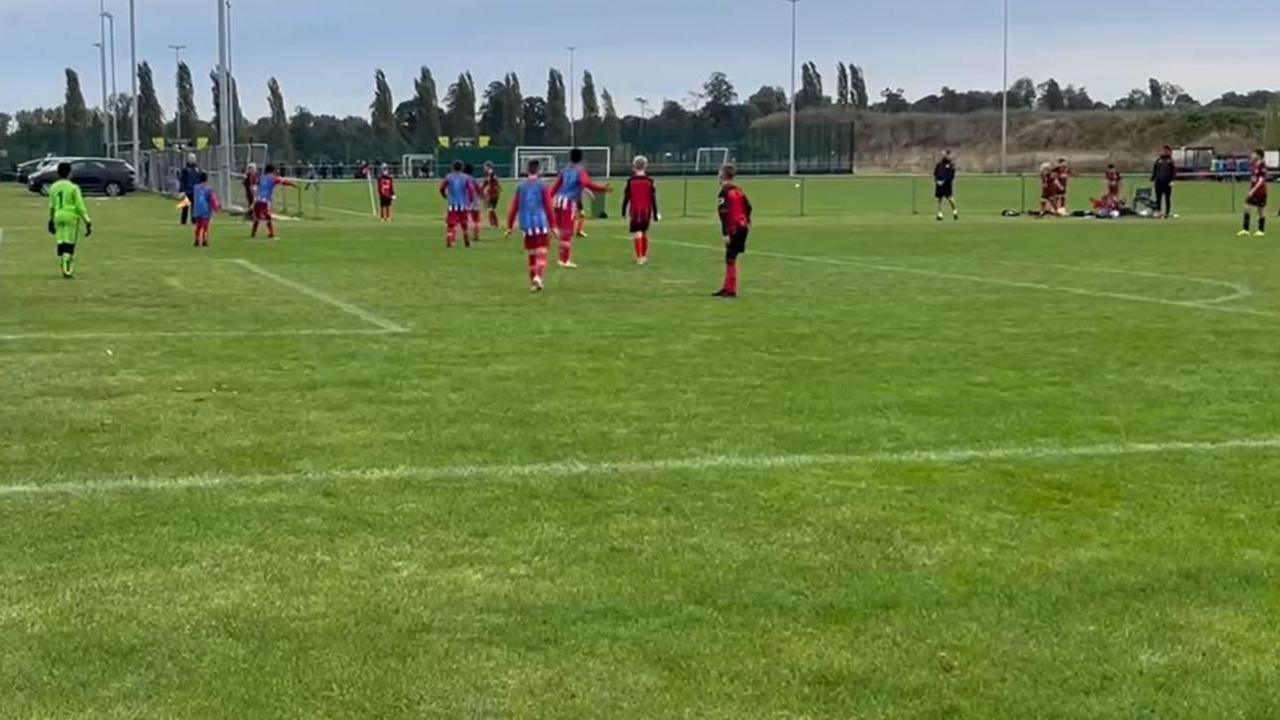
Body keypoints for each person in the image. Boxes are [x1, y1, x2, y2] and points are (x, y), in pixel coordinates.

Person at [549, 148, 610, 268]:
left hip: (558, 201)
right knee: (567, 231)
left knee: (562, 231)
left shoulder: (565, 170)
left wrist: (547, 198)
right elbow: (586, 183)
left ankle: (561, 259)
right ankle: (565, 260)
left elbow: (556, 186)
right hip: (569, 202)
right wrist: (602, 188)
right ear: (581, 158)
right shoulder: (580, 171)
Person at [505, 159, 558, 292]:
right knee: (542, 252)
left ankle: (533, 284)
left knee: (532, 255)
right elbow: (548, 206)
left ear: (527, 170)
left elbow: (514, 207)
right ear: (539, 170)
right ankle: (538, 277)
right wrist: (553, 225)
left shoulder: (521, 187)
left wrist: (509, 226)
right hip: (541, 223)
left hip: (527, 225)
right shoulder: (543, 186)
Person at [47, 162, 92, 278]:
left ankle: (63, 262)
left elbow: (51, 206)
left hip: (58, 215)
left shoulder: (53, 187)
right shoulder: (73, 187)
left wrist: (51, 220)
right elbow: (79, 206)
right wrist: (87, 220)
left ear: (58, 173)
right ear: (70, 173)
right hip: (70, 216)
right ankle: (67, 270)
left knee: (61, 241)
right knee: (69, 243)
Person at [714, 164, 752, 298]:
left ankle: (730, 289)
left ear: (723, 175)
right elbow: (748, 207)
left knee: (730, 258)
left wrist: (725, 233)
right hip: (743, 227)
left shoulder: (724, 192)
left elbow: (724, 213)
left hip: (733, 228)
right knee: (731, 258)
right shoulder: (739, 190)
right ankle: (727, 287)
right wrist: (747, 221)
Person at [621, 156, 659, 265]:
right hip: (646, 210)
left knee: (638, 232)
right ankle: (644, 256)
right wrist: (655, 213)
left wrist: (623, 210)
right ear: (645, 166)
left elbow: (626, 197)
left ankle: (639, 257)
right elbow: (653, 199)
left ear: (634, 167)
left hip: (635, 210)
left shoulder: (631, 181)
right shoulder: (649, 181)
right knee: (644, 231)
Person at [439, 160, 476, 248]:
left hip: (452, 204)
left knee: (451, 224)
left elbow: (441, 188)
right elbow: (471, 190)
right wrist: (470, 201)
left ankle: (450, 238)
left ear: (452, 167)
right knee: (464, 223)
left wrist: (444, 195)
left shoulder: (448, 177)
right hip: (463, 204)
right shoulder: (466, 177)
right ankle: (466, 239)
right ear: (462, 168)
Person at [251, 164, 295, 239]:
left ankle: (253, 234)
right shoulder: (273, 178)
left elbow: (255, 186)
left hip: (258, 199)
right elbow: (283, 182)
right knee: (267, 217)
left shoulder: (261, 178)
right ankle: (271, 234)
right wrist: (293, 185)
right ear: (273, 170)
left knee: (257, 217)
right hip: (265, 200)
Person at [1239, 149, 1268, 237]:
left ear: (1259, 155)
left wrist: (1253, 189)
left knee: (1260, 210)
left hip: (1260, 191)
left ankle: (1261, 230)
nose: (1252, 155)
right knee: (1246, 207)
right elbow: (1254, 178)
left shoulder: (1262, 165)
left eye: (1254, 154)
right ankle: (1246, 229)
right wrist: (1251, 189)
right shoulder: (1254, 164)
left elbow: (1261, 180)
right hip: (1254, 190)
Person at [190, 171, 221, 247]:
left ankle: (196, 240)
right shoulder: (209, 189)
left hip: (197, 210)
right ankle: (204, 240)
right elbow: (212, 199)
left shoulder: (195, 188)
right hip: (206, 210)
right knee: (205, 226)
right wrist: (216, 208)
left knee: (198, 226)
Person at [1151, 145, 1177, 219]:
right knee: (1158, 197)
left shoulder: (1170, 161)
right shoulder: (1159, 160)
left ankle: (1167, 213)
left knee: (1167, 198)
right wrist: (1153, 178)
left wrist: (1172, 180)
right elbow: (1155, 169)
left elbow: (1173, 172)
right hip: (1158, 182)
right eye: (1163, 150)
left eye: (1166, 150)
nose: (1164, 152)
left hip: (1167, 182)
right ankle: (1158, 211)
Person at [933, 150, 958, 221]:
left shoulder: (951, 165)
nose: (943, 156)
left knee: (950, 199)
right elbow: (935, 173)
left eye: (945, 155)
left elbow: (951, 175)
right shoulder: (939, 164)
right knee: (939, 200)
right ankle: (940, 214)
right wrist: (937, 180)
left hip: (947, 185)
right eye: (943, 155)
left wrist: (945, 181)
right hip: (939, 184)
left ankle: (955, 212)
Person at [178, 153, 201, 226]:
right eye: (190, 158)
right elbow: (182, 180)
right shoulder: (185, 170)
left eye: (193, 158)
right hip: (187, 191)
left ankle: (194, 220)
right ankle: (183, 221)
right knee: (185, 207)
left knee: (194, 207)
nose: (192, 160)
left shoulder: (198, 170)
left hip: (195, 191)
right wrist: (182, 190)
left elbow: (200, 180)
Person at [465, 164, 483, 243]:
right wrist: (482, 197)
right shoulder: (474, 179)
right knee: (476, 220)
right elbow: (479, 190)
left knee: (464, 218)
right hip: (475, 201)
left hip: (466, 201)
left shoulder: (463, 179)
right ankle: (476, 235)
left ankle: (466, 235)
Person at [481, 162, 502, 229]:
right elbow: (484, 185)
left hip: (493, 194)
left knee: (490, 209)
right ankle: (493, 224)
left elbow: (496, 183)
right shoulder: (488, 177)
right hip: (492, 194)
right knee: (491, 209)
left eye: (485, 167)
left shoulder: (492, 175)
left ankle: (495, 224)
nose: (484, 169)